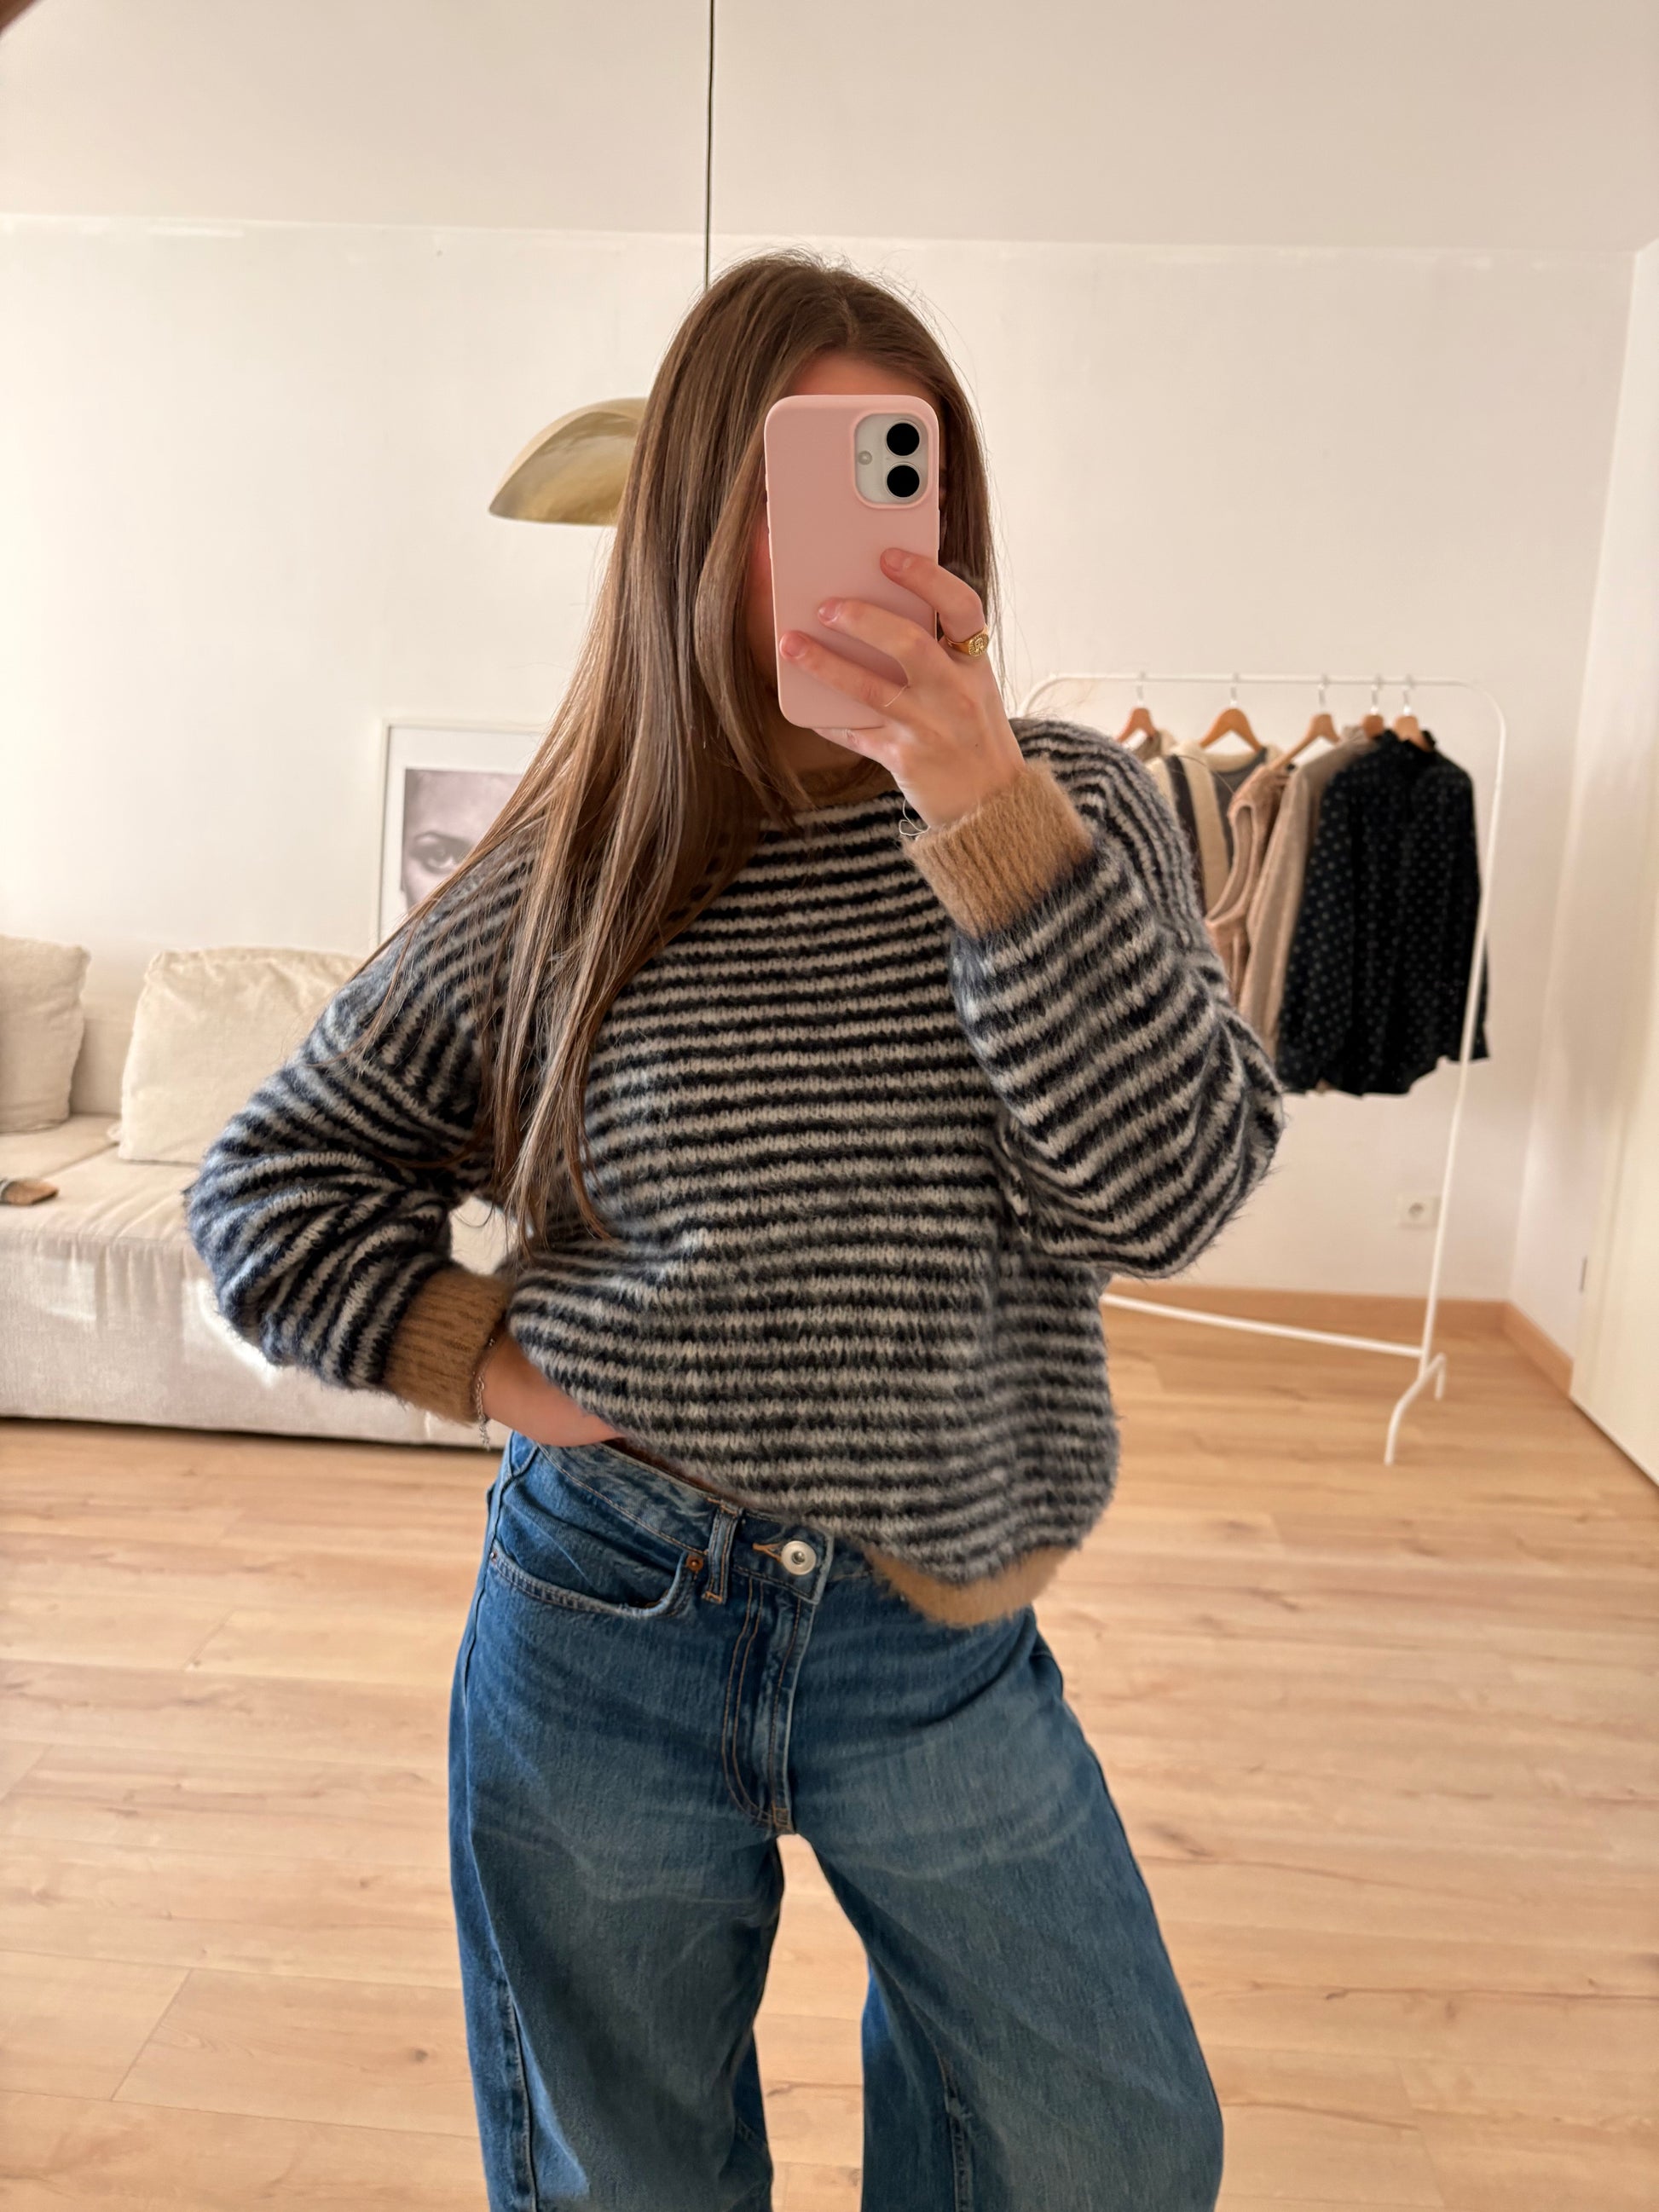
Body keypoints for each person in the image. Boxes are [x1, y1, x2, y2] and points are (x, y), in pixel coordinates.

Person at [186, 249, 1284, 2211]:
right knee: (627, 2177)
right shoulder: (572, 866)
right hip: (604, 1608)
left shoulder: (1072, 807)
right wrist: (495, 1363)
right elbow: (270, 1186)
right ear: (698, 517)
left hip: (930, 1626)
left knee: (1109, 2153)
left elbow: (1166, 1186)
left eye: (896, 479)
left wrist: (977, 810)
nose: (855, 546)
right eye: (797, 488)